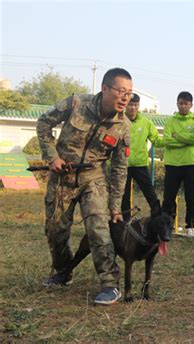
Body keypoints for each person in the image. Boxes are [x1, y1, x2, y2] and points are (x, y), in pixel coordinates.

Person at [37, 68, 133, 305]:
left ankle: (110, 284)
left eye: (129, 93)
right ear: (105, 88)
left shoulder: (123, 126)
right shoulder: (76, 103)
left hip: (93, 178)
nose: (125, 97)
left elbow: (120, 169)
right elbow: (44, 123)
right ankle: (62, 272)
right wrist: (52, 158)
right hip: (63, 178)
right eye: (121, 91)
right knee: (56, 230)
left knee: (98, 228)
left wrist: (115, 205)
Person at [162, 91, 194, 238]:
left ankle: (190, 226)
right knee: (168, 198)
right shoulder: (170, 122)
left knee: (191, 197)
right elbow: (167, 141)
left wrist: (178, 136)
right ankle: (167, 225)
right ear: (177, 103)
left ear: (191, 105)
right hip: (172, 164)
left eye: (186, 103)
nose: (183, 106)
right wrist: (186, 141)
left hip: (191, 164)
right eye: (181, 103)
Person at [120, 93, 161, 222]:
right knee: (123, 195)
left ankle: (158, 217)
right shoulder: (119, 121)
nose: (133, 107)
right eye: (130, 104)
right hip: (122, 164)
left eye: (135, 105)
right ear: (126, 105)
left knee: (150, 192)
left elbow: (157, 140)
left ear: (138, 106)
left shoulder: (146, 123)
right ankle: (125, 221)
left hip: (140, 165)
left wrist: (174, 141)